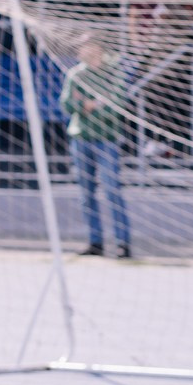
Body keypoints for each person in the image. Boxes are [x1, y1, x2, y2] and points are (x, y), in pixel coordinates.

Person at [59, 39, 133, 259]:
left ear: (99, 49)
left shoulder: (113, 75)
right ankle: (95, 241)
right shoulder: (76, 75)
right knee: (86, 193)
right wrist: (86, 105)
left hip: (106, 139)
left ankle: (122, 242)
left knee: (112, 190)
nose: (84, 50)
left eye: (89, 46)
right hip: (81, 138)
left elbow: (116, 107)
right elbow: (66, 104)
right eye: (82, 47)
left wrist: (91, 107)